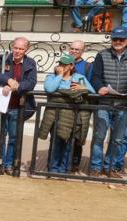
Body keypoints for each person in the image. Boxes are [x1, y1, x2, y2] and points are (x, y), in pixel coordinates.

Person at [0, 37, 37, 175]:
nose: (17, 51)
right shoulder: (3, 59)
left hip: (17, 105)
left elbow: (31, 82)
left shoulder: (30, 63)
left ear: (26, 49)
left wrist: (16, 87)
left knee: (14, 137)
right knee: (0, 135)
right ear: (12, 47)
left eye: (21, 49)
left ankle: (9, 164)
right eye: (15, 47)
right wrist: (7, 80)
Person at [38, 53, 94, 173]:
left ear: (71, 66)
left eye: (65, 64)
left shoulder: (79, 77)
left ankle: (64, 169)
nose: (62, 66)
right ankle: (52, 168)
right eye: (60, 63)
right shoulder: (52, 77)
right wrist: (59, 75)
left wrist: (83, 88)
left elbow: (92, 92)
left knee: (69, 144)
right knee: (56, 142)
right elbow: (49, 89)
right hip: (55, 117)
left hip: (74, 117)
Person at [90, 26, 127, 178]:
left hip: (124, 104)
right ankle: (95, 168)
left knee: (117, 139)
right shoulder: (102, 55)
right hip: (104, 102)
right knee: (99, 136)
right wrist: (99, 87)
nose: (118, 42)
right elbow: (95, 76)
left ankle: (110, 167)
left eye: (121, 39)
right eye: (115, 39)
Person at [69, 40, 94, 173]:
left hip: (82, 106)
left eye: (77, 49)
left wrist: (83, 88)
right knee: (64, 134)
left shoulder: (88, 67)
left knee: (78, 136)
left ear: (82, 51)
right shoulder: (62, 63)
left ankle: (75, 163)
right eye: (72, 48)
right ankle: (61, 161)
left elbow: (92, 87)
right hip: (65, 106)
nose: (73, 51)